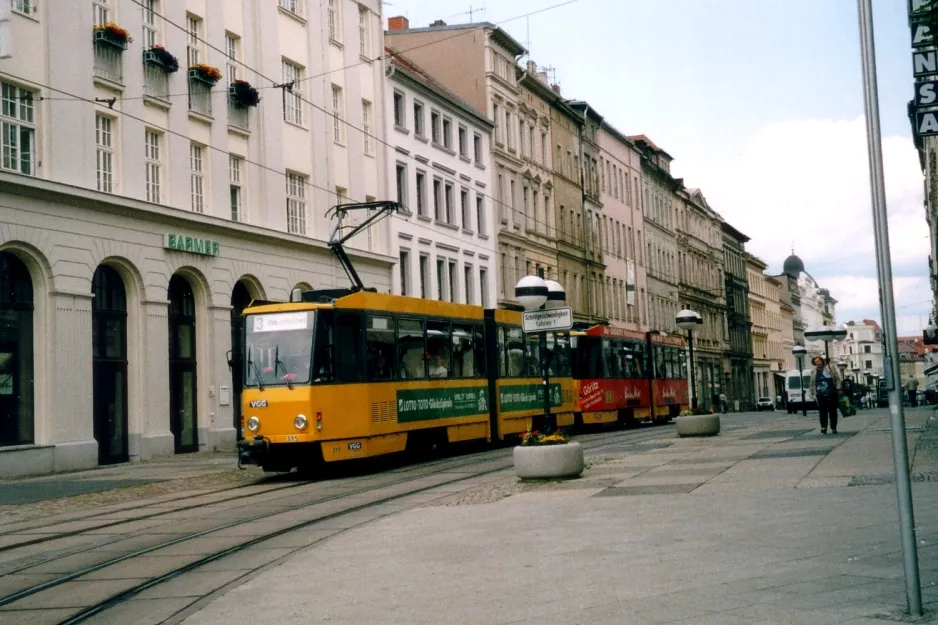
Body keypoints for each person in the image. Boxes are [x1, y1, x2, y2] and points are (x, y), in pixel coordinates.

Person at [809, 356, 841, 434]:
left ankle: (833, 427)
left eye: (819, 361)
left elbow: (837, 378)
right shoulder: (813, 371)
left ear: (822, 361)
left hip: (831, 392)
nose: (818, 363)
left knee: (832, 411)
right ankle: (823, 427)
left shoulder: (830, 368)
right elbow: (812, 383)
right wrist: (812, 392)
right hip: (820, 394)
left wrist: (838, 387)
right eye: (816, 362)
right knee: (822, 411)